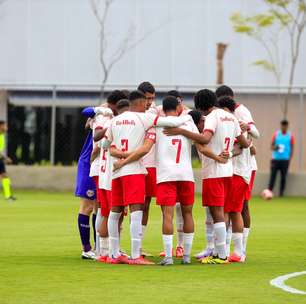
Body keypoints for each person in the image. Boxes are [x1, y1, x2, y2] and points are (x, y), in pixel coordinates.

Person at [102, 90, 193, 265]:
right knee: (137, 210)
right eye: (146, 103)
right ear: (139, 103)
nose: (148, 106)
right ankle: (136, 255)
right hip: (134, 169)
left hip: (117, 172)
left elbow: (107, 146)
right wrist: (187, 117)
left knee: (115, 211)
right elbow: (171, 121)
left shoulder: (115, 120)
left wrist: (120, 156)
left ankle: (113, 254)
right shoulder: (142, 118)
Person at [215, 85, 260, 261]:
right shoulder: (228, 122)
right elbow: (247, 145)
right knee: (234, 210)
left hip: (239, 170)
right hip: (234, 170)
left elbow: (252, 137)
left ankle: (232, 252)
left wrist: (246, 130)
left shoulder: (239, 116)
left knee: (234, 209)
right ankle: (234, 252)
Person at [268, 119, 294, 197]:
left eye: (285, 126)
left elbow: (292, 148)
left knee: (283, 177)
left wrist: (289, 158)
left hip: (285, 160)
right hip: (275, 159)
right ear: (281, 126)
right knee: (273, 176)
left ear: (287, 126)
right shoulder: (276, 134)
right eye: (283, 125)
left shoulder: (290, 136)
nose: (284, 127)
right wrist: (275, 147)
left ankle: (281, 193)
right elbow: (271, 146)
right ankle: (269, 192)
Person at [0, 121, 16, 201]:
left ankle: (8, 195)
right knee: (4, 176)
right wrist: (5, 158)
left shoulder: (2, 136)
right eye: (4, 126)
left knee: (4, 176)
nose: (6, 128)